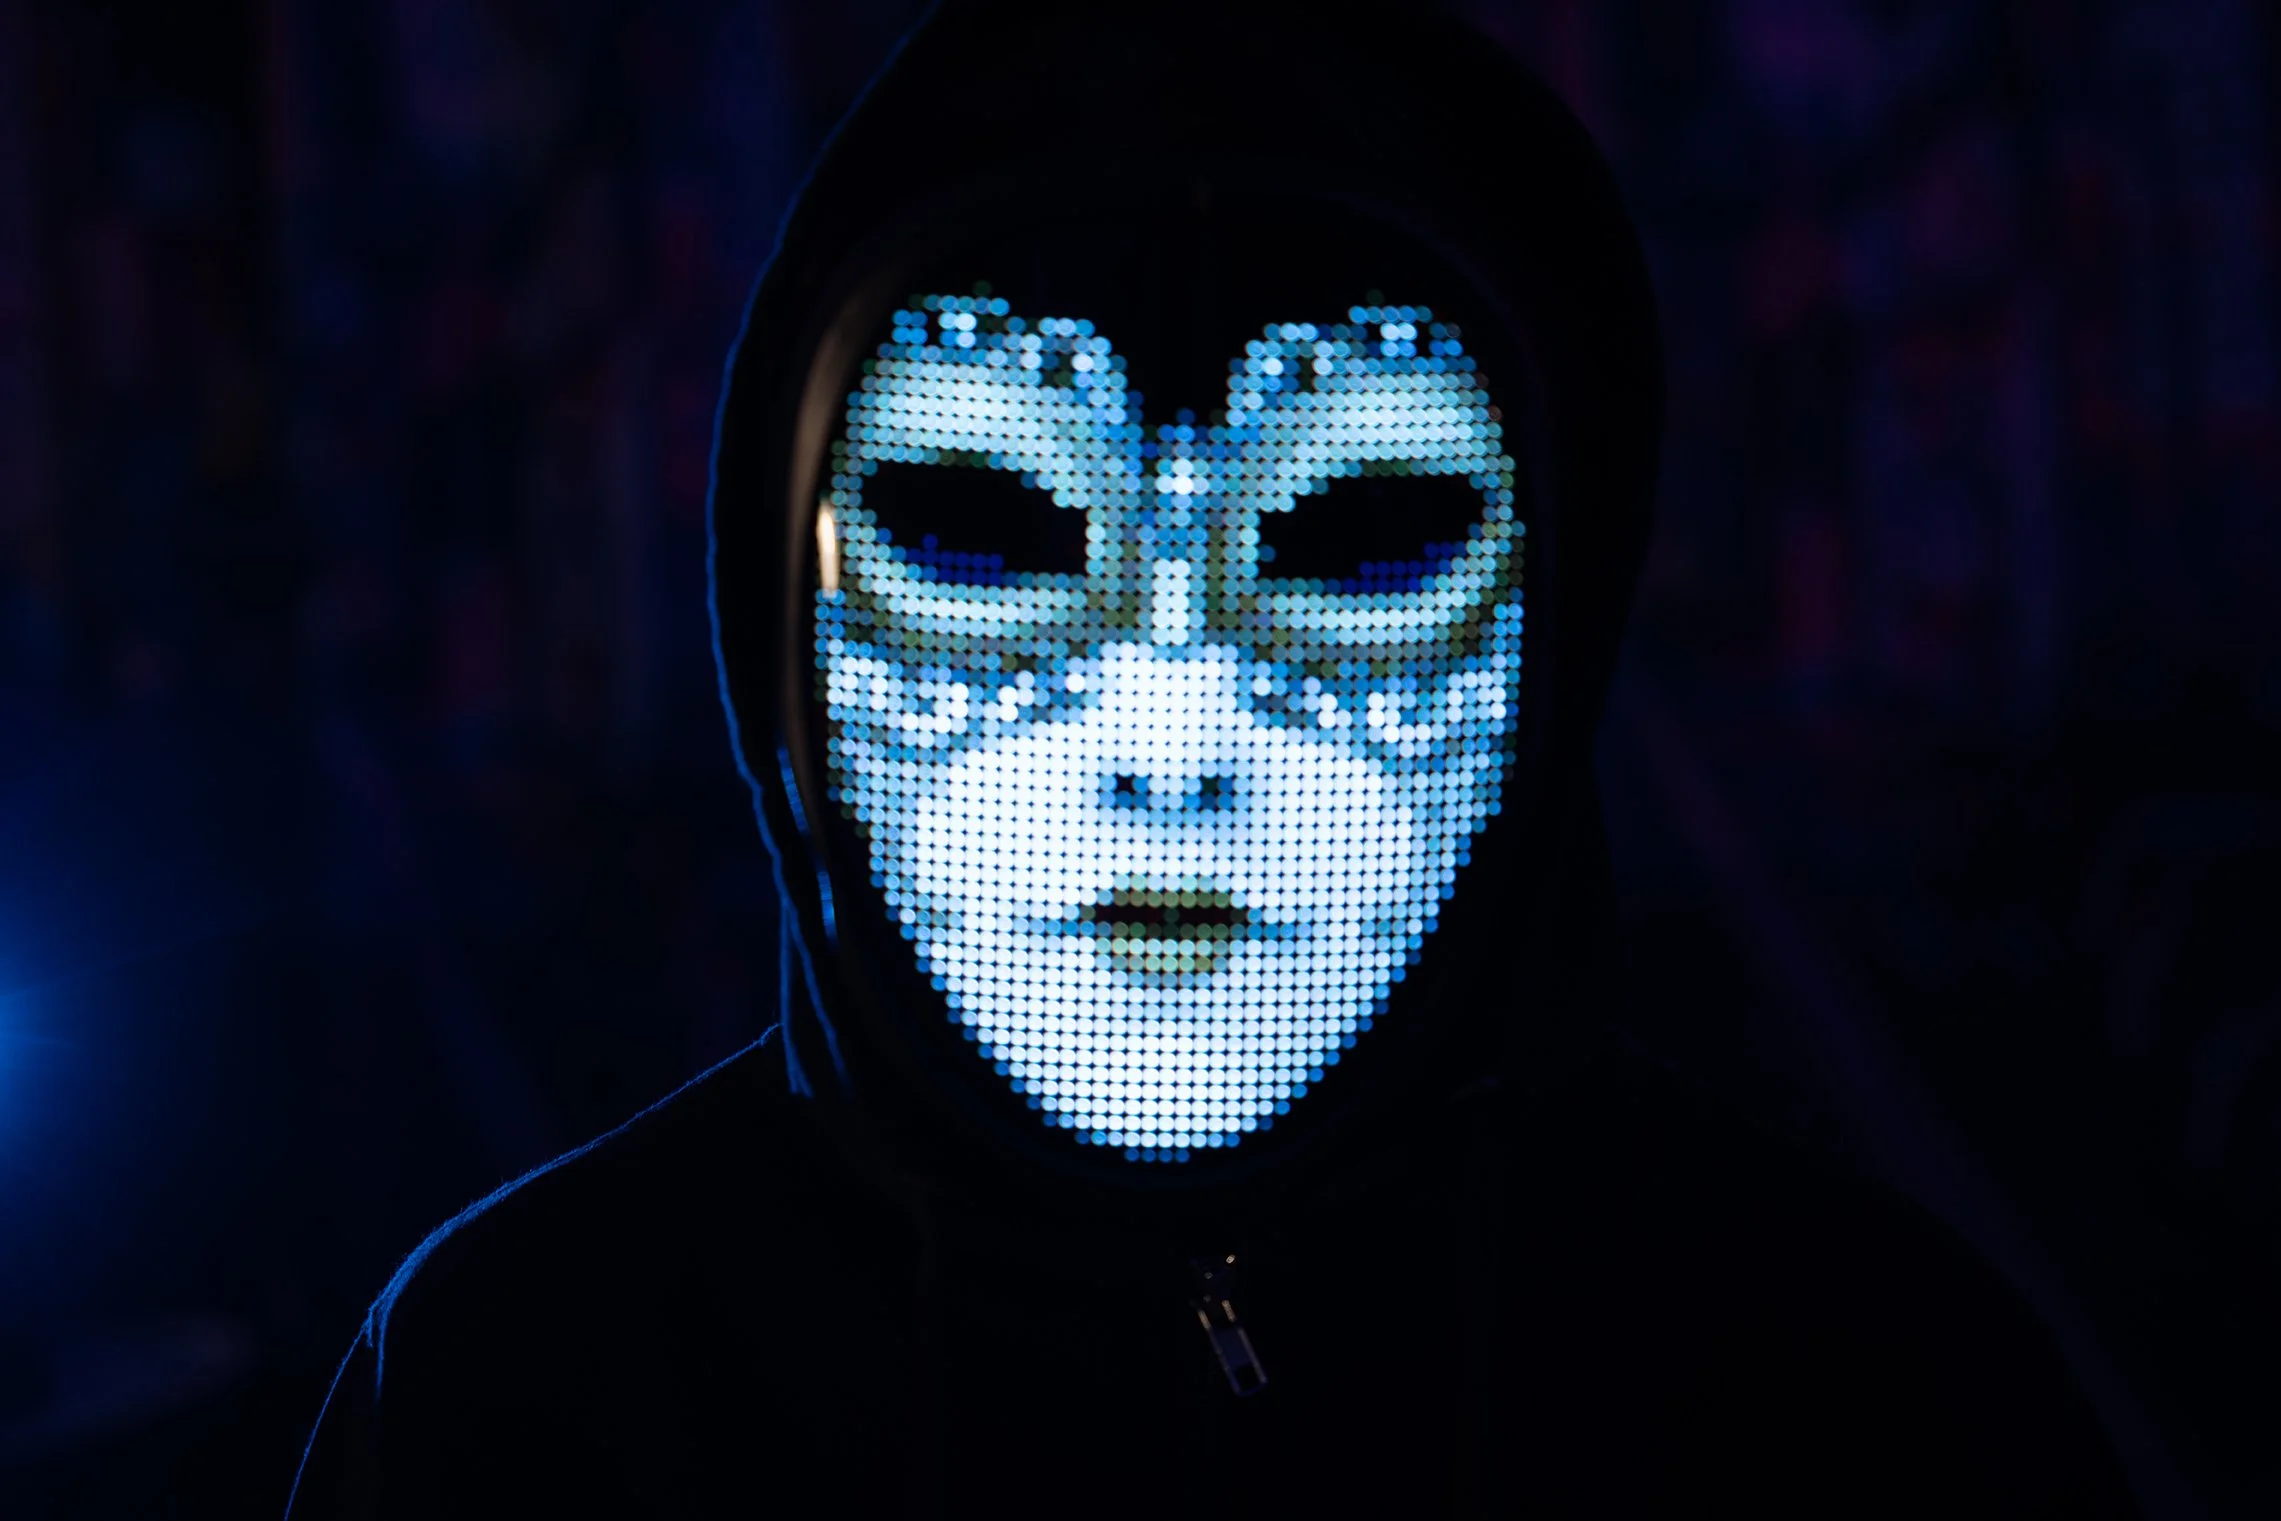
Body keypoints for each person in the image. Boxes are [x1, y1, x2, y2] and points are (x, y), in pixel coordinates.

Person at [285, 2, 2136, 1514]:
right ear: (785, 630)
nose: (1172, 741)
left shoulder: (1867, 1399)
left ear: (1556, 627)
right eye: (986, 529)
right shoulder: (523, 1395)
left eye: (1364, 540)